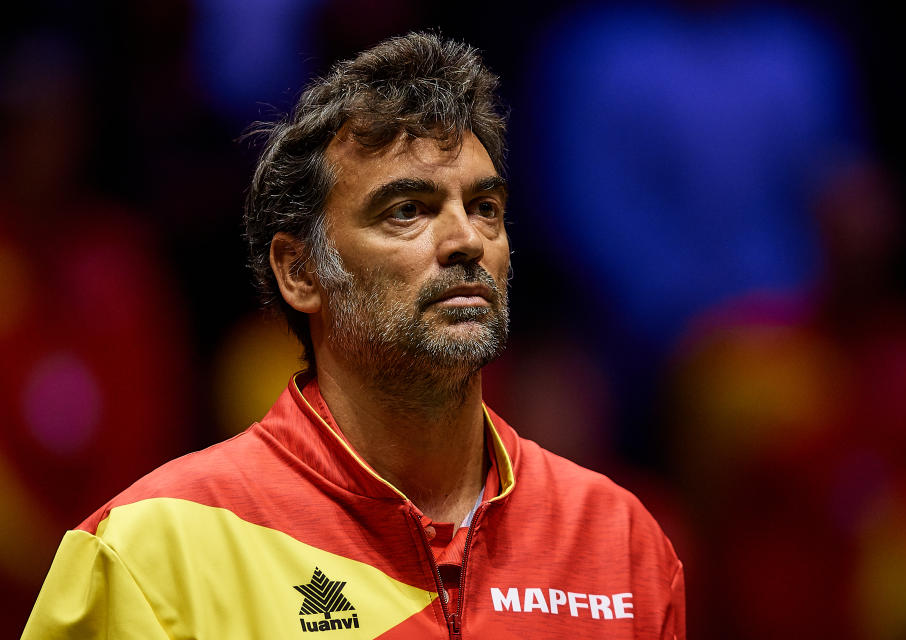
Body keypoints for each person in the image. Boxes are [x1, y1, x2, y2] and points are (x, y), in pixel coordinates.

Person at [23, 32, 684, 639]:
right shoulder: (151, 554)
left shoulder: (619, 540)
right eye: (407, 210)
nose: (465, 241)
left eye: (484, 207)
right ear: (301, 271)